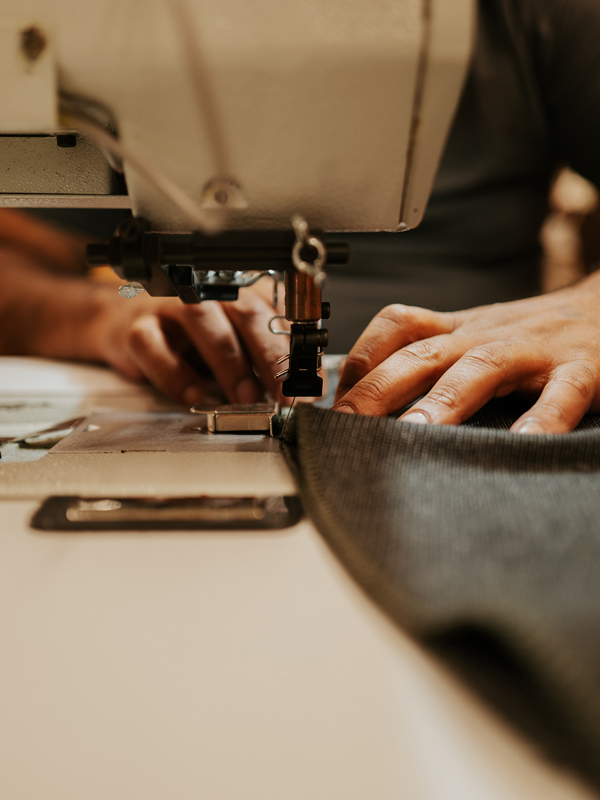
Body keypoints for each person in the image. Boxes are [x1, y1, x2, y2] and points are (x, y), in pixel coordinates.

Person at [1, 0, 600, 434]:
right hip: (156, 386)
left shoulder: (534, 13)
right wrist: (96, 314)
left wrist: (590, 310)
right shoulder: (87, 25)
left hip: (470, 409)